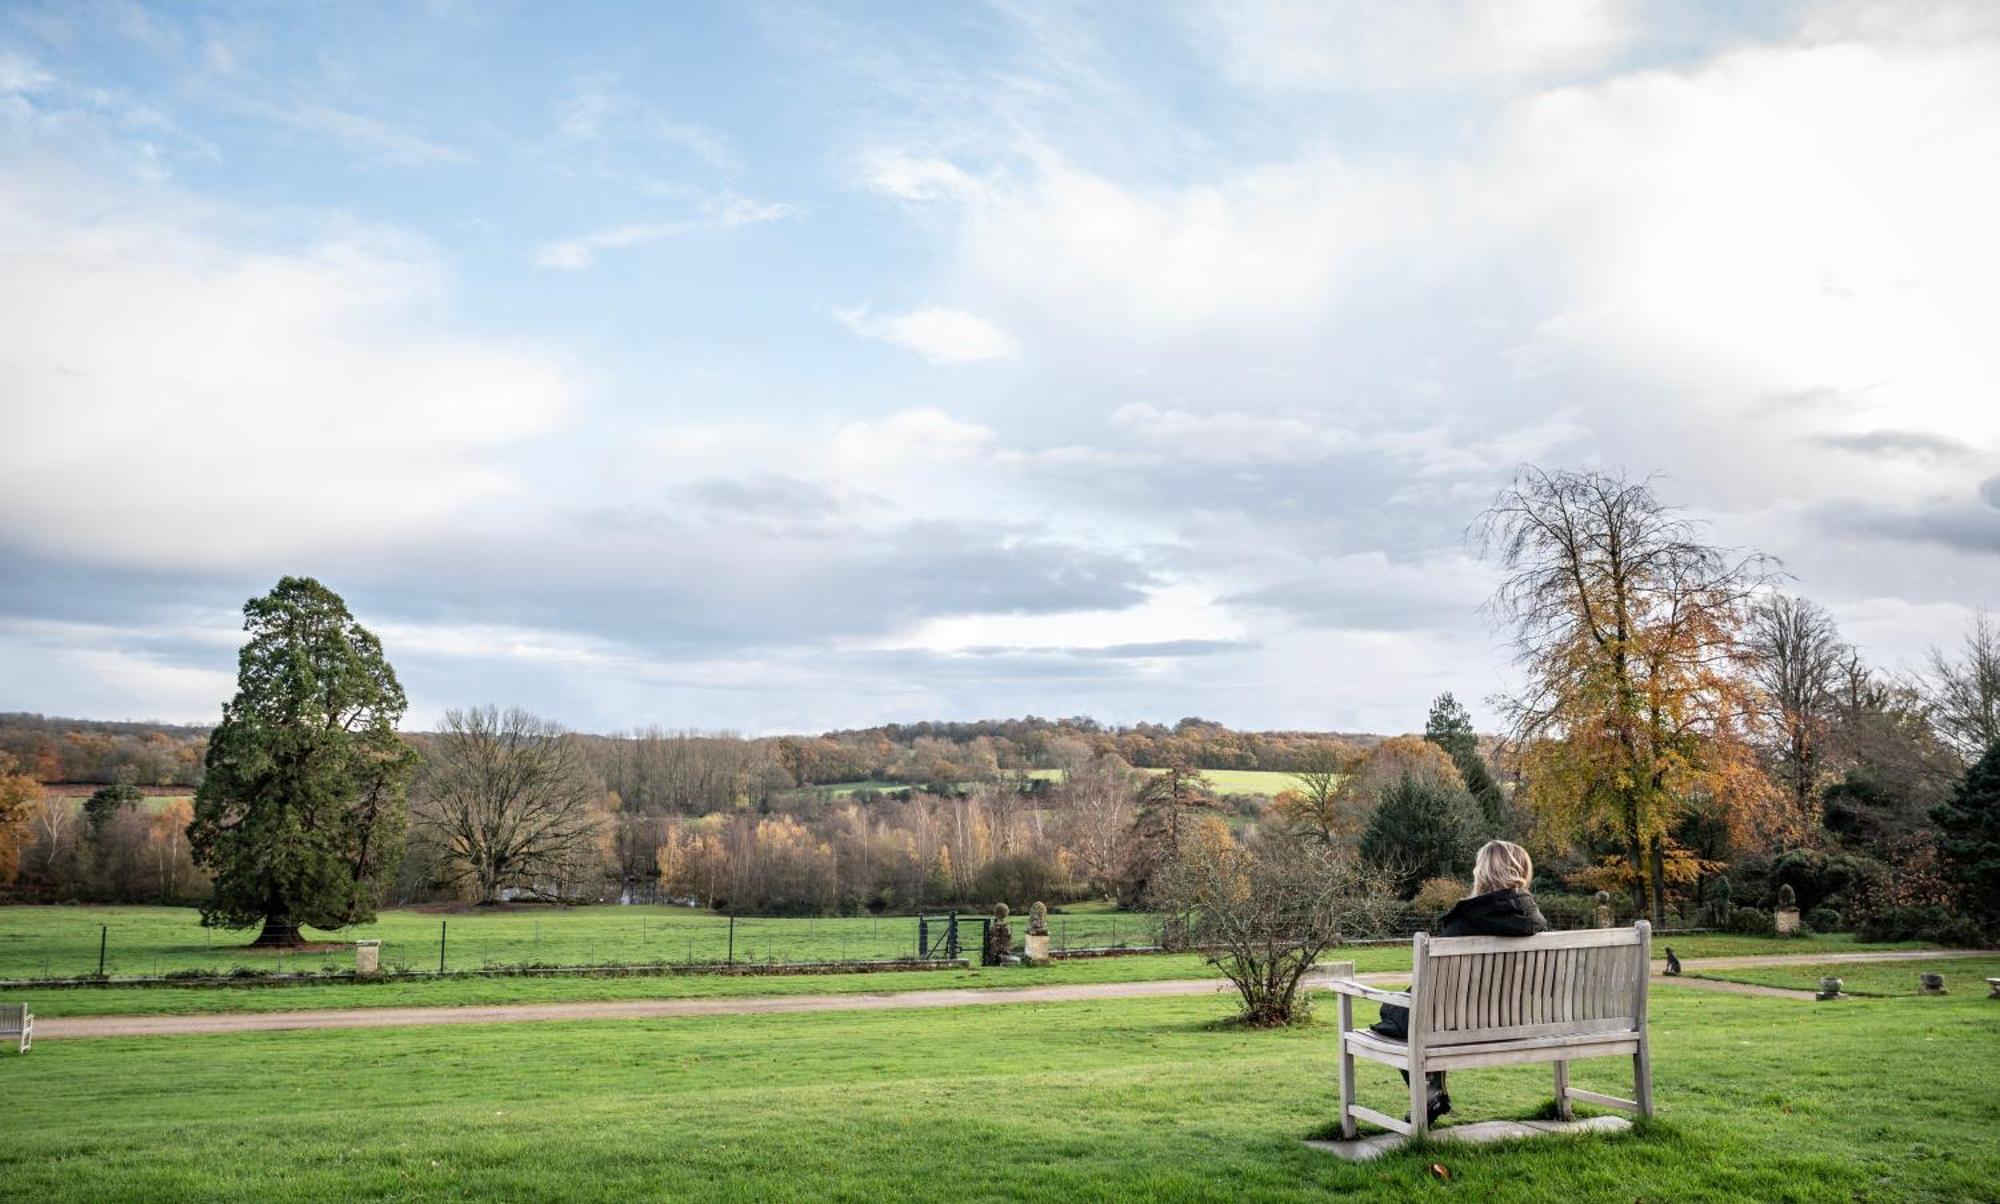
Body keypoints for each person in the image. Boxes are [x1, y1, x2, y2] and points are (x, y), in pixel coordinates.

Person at [1369, 839, 1548, 1125]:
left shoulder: (1465, 923)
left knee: (1396, 1015)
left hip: (1459, 1025)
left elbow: (1434, 987)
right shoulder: (1535, 923)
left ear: (1482, 873)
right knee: (1407, 1014)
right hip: (1513, 1023)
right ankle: (1432, 1089)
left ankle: (1432, 1089)